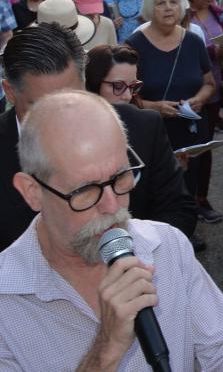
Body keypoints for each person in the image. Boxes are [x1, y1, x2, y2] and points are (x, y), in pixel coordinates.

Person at [0, 92, 223, 370]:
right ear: (32, 192)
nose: (112, 206)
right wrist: (106, 349)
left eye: (121, 176)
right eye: (86, 190)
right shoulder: (6, 298)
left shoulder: (166, 245)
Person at [0, 25, 197, 251]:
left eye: (72, 100)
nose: (60, 121)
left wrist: (129, 258)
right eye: (41, 109)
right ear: (10, 91)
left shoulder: (142, 128)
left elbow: (178, 211)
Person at [125, 0, 215, 209]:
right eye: (160, 3)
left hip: (191, 130)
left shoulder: (193, 40)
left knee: (188, 186)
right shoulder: (134, 45)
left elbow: (209, 82)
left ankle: (187, 233)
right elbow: (124, 95)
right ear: (149, 9)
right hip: (153, 132)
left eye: (173, 2)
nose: (168, 8)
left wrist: (199, 99)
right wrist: (154, 107)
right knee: (154, 192)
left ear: (182, 6)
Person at [180, 0, 223, 226]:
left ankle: (201, 198)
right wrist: (211, 52)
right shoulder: (179, 13)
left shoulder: (218, 14)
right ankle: (183, 202)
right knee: (182, 148)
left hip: (213, 87)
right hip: (184, 89)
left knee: (205, 145)